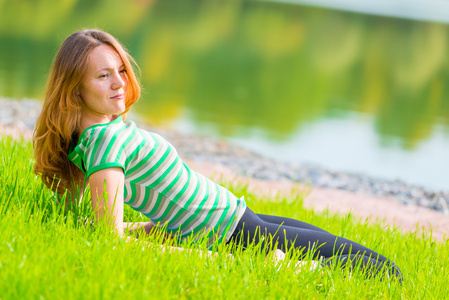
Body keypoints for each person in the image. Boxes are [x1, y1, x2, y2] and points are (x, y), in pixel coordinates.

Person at [33, 29, 402, 281]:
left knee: (365, 261)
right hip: (232, 234)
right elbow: (109, 240)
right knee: (382, 272)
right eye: (103, 76)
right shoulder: (105, 145)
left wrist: (159, 230)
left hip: (235, 218)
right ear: (75, 90)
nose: (120, 83)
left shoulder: (99, 138)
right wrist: (223, 260)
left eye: (121, 71)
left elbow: (131, 217)